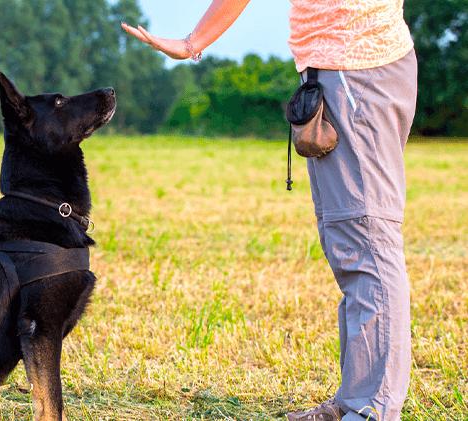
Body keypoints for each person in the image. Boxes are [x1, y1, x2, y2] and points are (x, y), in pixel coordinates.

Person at [122, 1, 416, 420]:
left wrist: (193, 43)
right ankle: (355, 400)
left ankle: (373, 409)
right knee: (352, 244)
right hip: (349, 69)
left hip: (356, 71)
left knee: (366, 239)